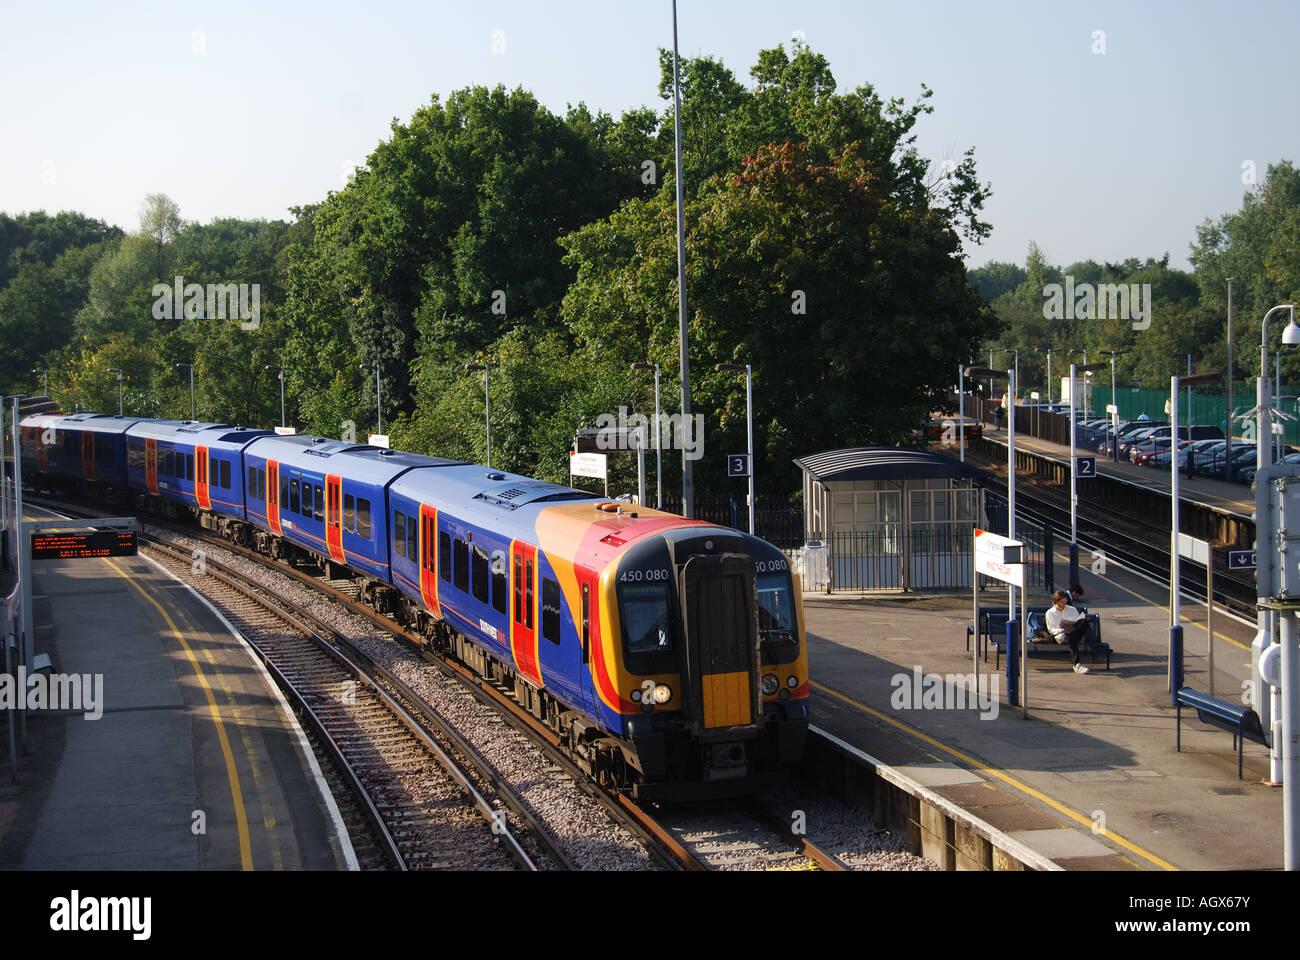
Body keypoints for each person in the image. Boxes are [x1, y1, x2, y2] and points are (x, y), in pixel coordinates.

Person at [1045, 589, 1091, 674]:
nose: (1063, 604)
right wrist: (1063, 629)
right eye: (1061, 602)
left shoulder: (1072, 609)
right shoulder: (1049, 613)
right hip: (1060, 636)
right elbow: (1051, 630)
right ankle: (1076, 664)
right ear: (1056, 602)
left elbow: (1078, 622)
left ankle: (1077, 665)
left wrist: (1072, 626)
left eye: (1065, 602)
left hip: (1074, 632)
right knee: (1073, 636)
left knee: (1084, 622)